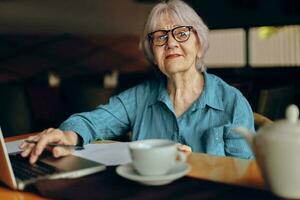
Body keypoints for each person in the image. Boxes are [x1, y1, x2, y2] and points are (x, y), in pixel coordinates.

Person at [20, 0, 255, 164]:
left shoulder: (232, 103)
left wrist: (196, 165)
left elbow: (243, 175)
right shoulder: (139, 97)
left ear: (199, 43)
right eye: (160, 37)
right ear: (153, 53)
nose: (170, 43)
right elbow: (92, 121)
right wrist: (69, 135)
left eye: (181, 33)